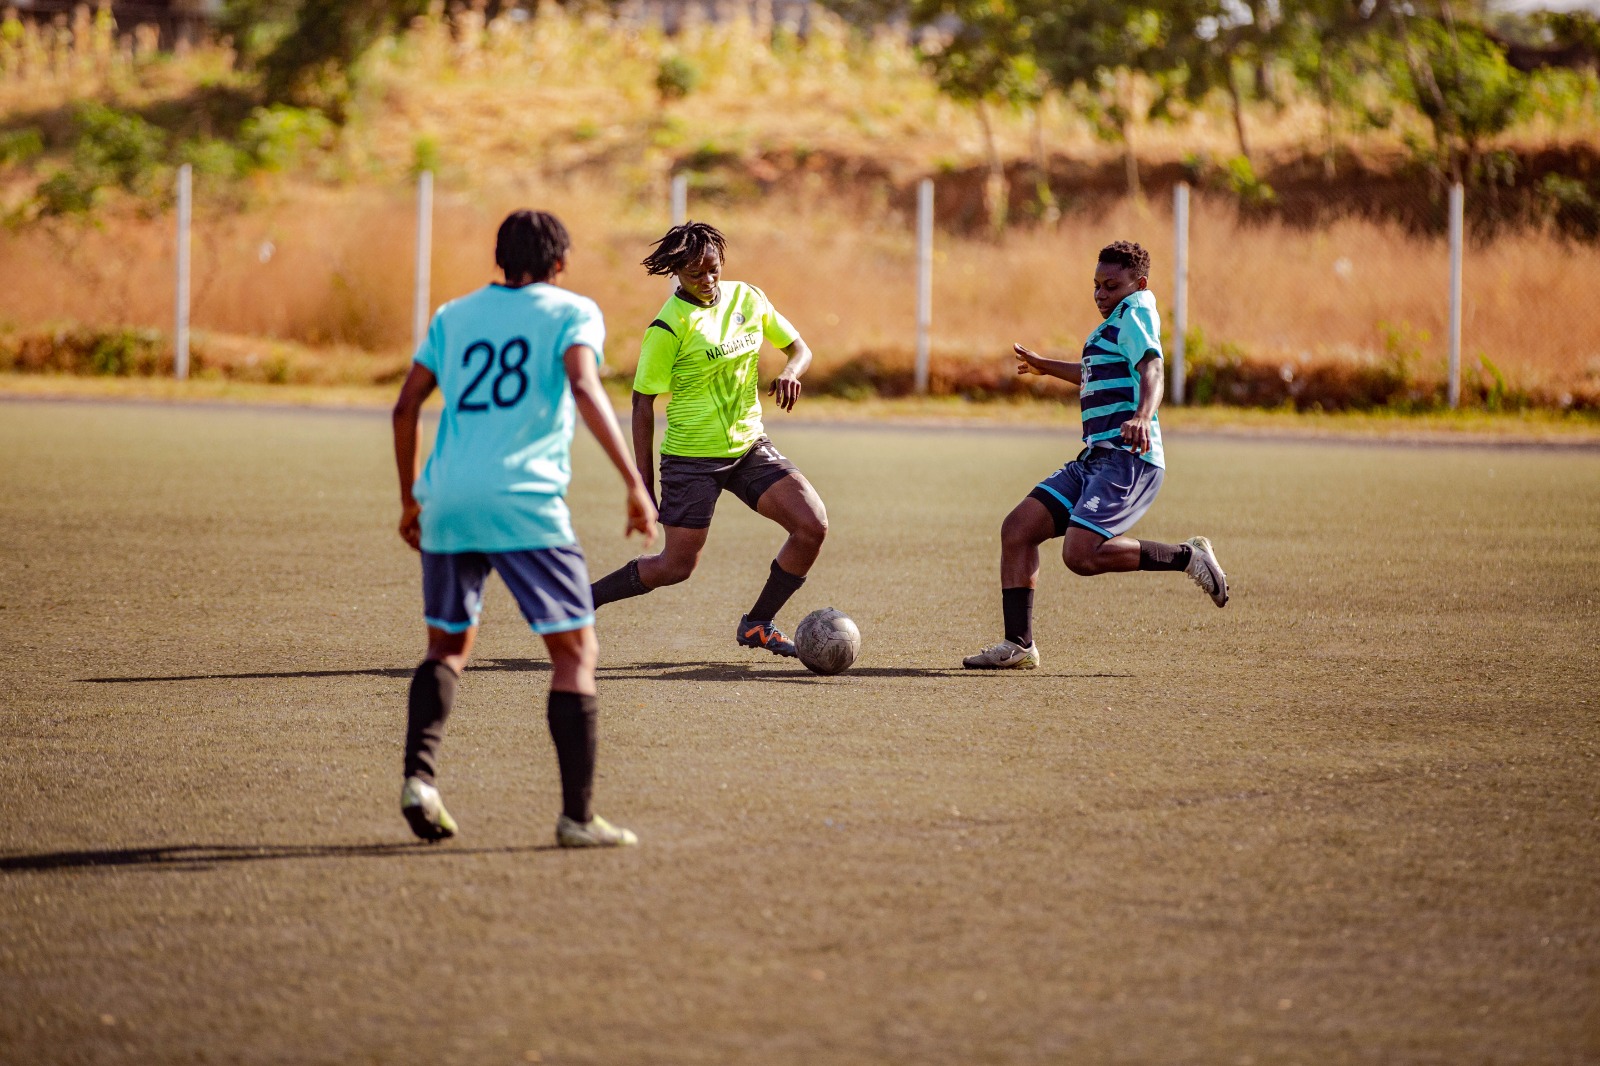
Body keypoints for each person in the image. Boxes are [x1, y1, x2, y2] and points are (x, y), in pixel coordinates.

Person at [391, 209, 658, 847]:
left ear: (500, 260)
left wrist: (410, 500)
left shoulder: (453, 316)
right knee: (575, 654)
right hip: (524, 502)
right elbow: (585, 386)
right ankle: (577, 817)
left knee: (447, 648)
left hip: (448, 499)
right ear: (560, 262)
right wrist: (633, 481)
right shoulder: (571, 311)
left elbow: (405, 408)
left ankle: (420, 779)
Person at [963, 240, 1228, 671]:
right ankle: (1019, 644)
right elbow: (1091, 373)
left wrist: (1144, 415)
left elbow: (1152, 368)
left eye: (1111, 285)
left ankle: (1187, 557)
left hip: (1129, 458)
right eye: (1096, 286)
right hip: (1094, 459)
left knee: (1080, 555)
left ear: (1138, 284)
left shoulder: (1137, 312)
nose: (1101, 294)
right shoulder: (1113, 324)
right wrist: (1046, 366)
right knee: (1018, 530)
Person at [587, 221, 828, 658]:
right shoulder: (668, 327)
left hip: (749, 445)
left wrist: (790, 372)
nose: (707, 280)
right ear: (675, 272)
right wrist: (642, 482)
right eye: (695, 273)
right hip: (691, 457)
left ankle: (757, 624)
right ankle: (582, 602)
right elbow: (643, 404)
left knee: (811, 526)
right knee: (676, 567)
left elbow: (799, 348)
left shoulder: (748, 298)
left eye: (713, 269)